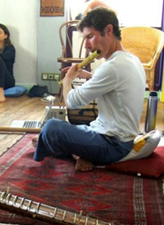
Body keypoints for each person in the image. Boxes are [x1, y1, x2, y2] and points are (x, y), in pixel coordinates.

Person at [33, 7, 146, 172]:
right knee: (69, 128)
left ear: (108, 30)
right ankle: (76, 152)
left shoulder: (112, 67)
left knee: (51, 128)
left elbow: (71, 103)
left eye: (90, 37)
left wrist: (67, 80)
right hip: (112, 135)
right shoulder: (132, 60)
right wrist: (91, 76)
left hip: (114, 145)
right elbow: (118, 86)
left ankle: (70, 151)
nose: (86, 45)